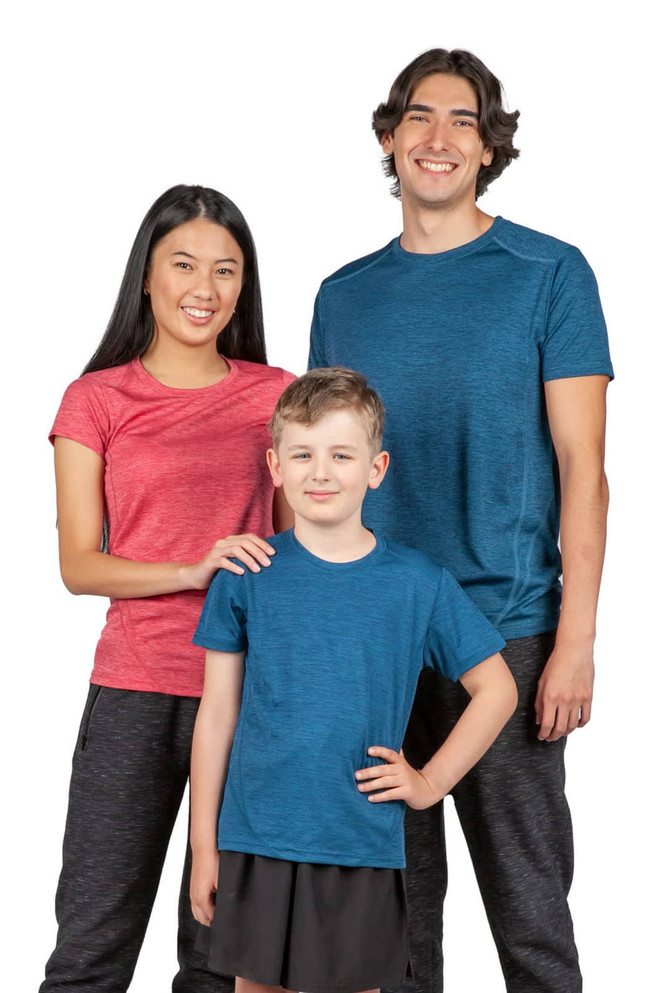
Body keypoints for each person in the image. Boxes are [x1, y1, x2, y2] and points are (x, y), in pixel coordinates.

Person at [308, 49, 613, 993]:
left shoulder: (548, 273)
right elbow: (316, 479)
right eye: (420, 119)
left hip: (506, 632)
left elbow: (584, 470)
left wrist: (575, 639)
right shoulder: (342, 295)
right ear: (391, 137)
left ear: (489, 148)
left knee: (530, 916)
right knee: (393, 922)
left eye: (463, 122)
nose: (438, 140)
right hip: (374, 638)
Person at [41, 184, 295, 993]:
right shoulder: (96, 400)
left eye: (226, 270)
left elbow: (301, 549)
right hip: (135, 688)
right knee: (91, 942)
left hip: (250, 695)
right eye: (184, 264)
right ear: (146, 276)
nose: (206, 288)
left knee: (223, 951)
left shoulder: (275, 395)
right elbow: (80, 563)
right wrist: (192, 569)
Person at [189, 366, 517, 993]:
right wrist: (205, 845)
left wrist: (429, 782)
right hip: (258, 836)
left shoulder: (417, 581)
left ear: (376, 467)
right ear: (275, 465)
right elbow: (217, 714)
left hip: (359, 838)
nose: (321, 472)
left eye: (341, 454)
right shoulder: (246, 574)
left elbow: (497, 689)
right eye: (303, 454)